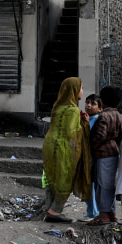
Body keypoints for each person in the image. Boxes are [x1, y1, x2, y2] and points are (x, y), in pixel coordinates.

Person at [42, 77, 91, 222]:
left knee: (53, 176)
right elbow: (71, 132)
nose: (82, 91)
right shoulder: (73, 110)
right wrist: (85, 124)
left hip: (50, 146)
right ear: (74, 90)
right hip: (64, 148)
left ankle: (49, 207)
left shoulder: (57, 107)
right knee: (65, 178)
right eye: (81, 88)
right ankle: (55, 211)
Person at [88, 85, 122, 225]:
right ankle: (112, 213)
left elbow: (99, 136)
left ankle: (103, 215)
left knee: (102, 185)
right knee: (110, 185)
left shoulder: (103, 116)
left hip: (103, 155)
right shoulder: (120, 116)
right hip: (114, 153)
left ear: (102, 101)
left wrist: (91, 146)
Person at [78, 94, 102, 222]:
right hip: (85, 157)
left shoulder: (96, 121)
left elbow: (91, 138)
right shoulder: (87, 118)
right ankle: (91, 211)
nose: (88, 105)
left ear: (99, 108)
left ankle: (93, 213)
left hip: (91, 158)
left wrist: (86, 125)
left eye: (93, 103)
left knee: (90, 185)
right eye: (87, 102)